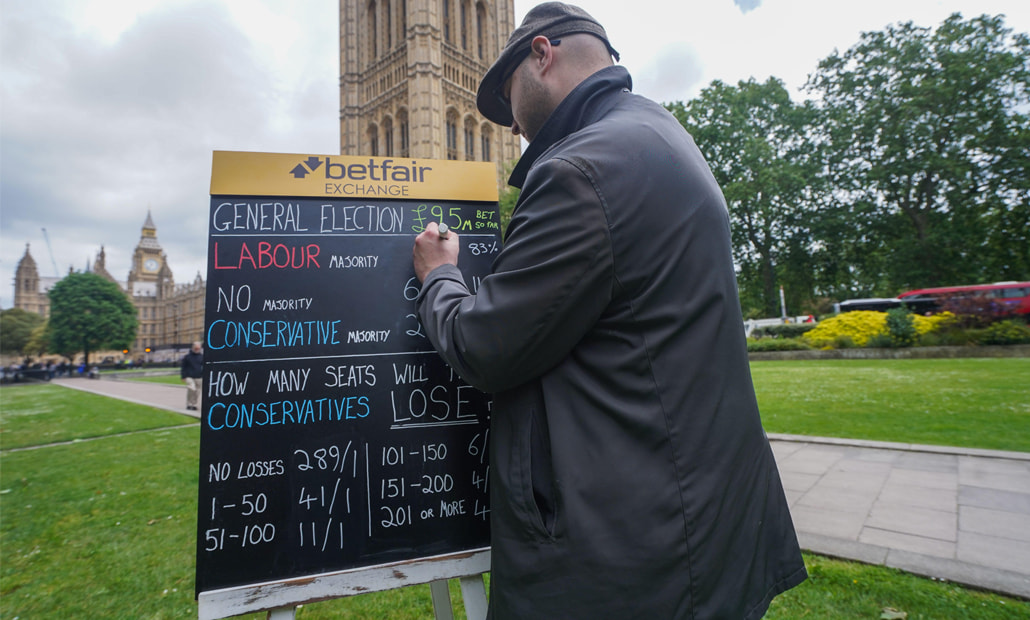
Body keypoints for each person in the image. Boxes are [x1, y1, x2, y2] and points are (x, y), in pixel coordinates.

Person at [412, 3, 806, 618]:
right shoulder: (657, 131)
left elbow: (485, 347)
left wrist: (439, 277)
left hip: (632, 549)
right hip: (704, 519)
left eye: (508, 98)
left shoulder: (580, 169)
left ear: (542, 54)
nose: (512, 127)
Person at [180, 342, 204, 411]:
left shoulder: (202, 357)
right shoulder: (187, 357)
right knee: (191, 389)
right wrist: (183, 376)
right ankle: (189, 404)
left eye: (198, 348)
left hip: (199, 376)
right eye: (196, 348)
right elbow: (183, 367)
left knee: (197, 392)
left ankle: (194, 404)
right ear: (193, 348)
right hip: (189, 376)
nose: (197, 349)